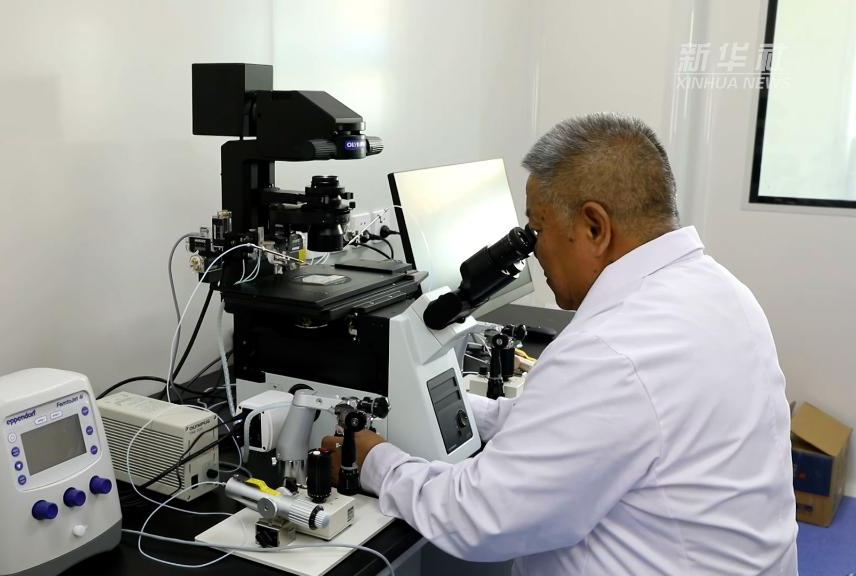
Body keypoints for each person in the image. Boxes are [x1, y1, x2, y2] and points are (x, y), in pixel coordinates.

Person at [323, 114, 798, 574]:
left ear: (594, 227)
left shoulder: (611, 350)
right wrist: (451, 406)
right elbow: (579, 426)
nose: (533, 251)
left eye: (537, 229)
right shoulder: (722, 292)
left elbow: (480, 517)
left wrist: (374, 459)